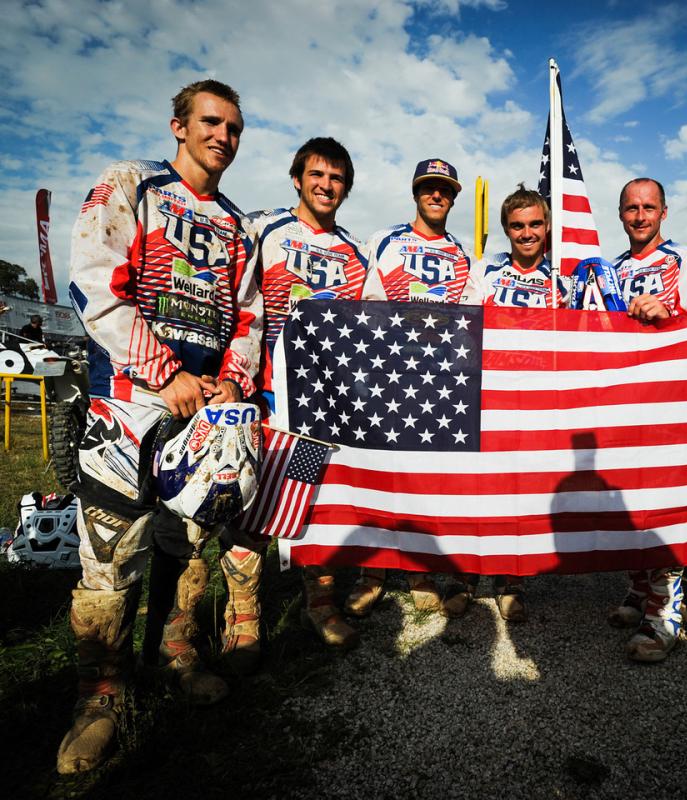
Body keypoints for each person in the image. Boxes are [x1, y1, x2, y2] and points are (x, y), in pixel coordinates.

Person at [57, 79, 261, 774]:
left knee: (187, 541)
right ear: (178, 126)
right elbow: (92, 279)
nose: (223, 137)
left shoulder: (236, 224)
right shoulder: (131, 184)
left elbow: (251, 317)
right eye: (210, 123)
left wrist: (234, 375)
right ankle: (99, 699)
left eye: (233, 127)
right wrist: (161, 369)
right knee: (110, 554)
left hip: (200, 412)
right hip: (127, 403)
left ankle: (176, 654)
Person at [229, 137, 369, 658]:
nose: (326, 185)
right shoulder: (261, 228)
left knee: (313, 506)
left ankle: (320, 604)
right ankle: (242, 620)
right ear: (297, 177)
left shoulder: (356, 254)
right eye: (317, 174)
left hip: (318, 408)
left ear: (346, 188)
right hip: (262, 396)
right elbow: (237, 305)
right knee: (250, 508)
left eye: (336, 178)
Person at [346, 158, 473, 618]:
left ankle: (420, 570)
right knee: (378, 473)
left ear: (454, 197)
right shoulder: (386, 241)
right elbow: (362, 305)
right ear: (415, 193)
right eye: (427, 188)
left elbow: (471, 320)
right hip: (387, 374)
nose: (436, 196)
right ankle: (372, 572)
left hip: (436, 381)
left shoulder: (463, 254)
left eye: (444, 190)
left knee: (422, 480)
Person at [604, 178, 687, 662]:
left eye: (649, 207)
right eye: (631, 208)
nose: (640, 216)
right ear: (620, 214)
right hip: (624, 405)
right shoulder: (611, 270)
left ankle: (665, 614)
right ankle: (640, 594)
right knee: (626, 504)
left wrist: (670, 313)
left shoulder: (683, 259)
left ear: (664, 212)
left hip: (669, 404)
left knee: (663, 508)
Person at [464, 184, 565, 621]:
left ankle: (511, 580)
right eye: (517, 226)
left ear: (547, 227)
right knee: (475, 490)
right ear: (506, 229)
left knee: (519, 495)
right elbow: (463, 330)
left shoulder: (564, 280)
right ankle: (464, 575)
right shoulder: (485, 272)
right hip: (487, 399)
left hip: (537, 405)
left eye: (535, 224)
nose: (527, 233)